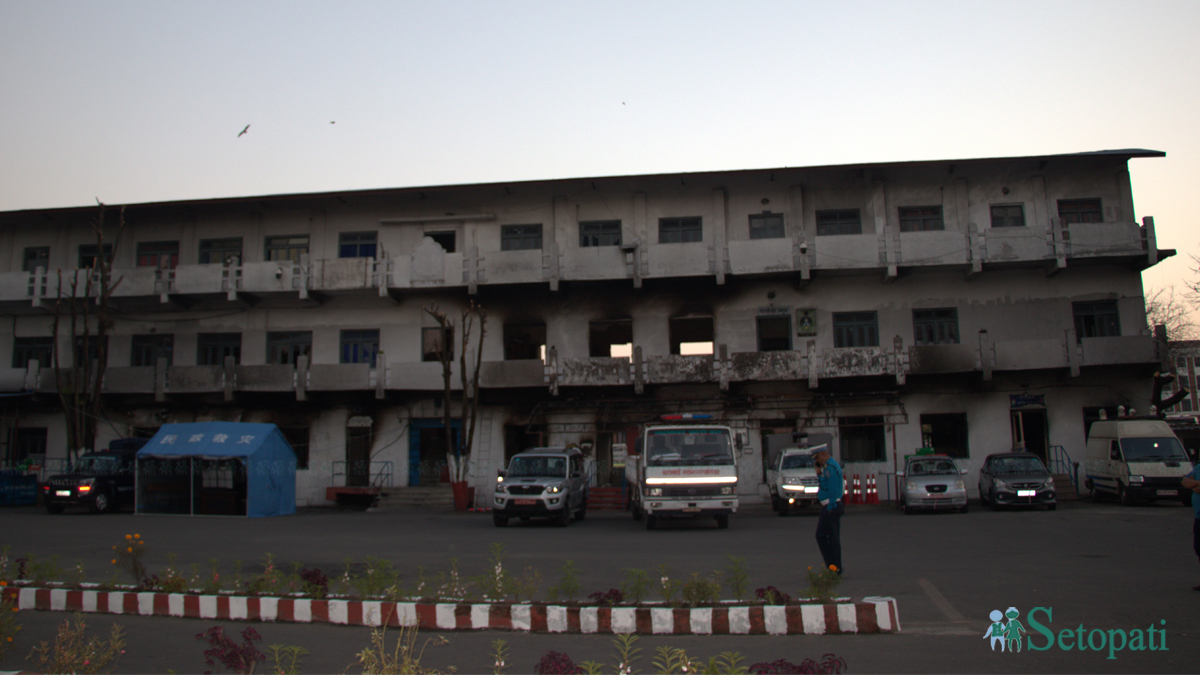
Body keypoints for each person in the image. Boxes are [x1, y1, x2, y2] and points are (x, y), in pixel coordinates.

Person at [813, 447, 844, 575]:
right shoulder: (827, 467)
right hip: (828, 506)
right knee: (823, 536)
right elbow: (824, 485)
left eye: (817, 458)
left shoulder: (830, 467)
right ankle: (832, 566)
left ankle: (835, 569)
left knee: (831, 539)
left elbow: (833, 489)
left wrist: (831, 507)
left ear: (822, 455)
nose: (817, 461)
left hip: (831, 506)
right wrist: (819, 473)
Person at [1183, 465, 1200, 590]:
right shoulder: (1199, 468)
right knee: (1198, 548)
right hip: (1198, 517)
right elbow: (1184, 482)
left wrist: (1194, 484)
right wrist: (1197, 483)